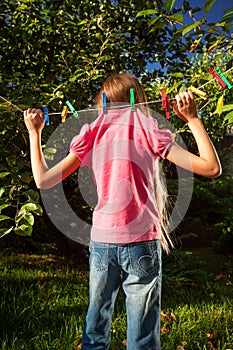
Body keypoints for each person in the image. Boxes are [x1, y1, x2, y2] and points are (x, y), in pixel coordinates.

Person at [24, 73, 221, 350]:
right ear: (138, 99)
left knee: (95, 331)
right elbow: (211, 168)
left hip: (103, 242)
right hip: (142, 243)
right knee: (142, 338)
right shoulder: (147, 127)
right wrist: (193, 119)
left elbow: (43, 180)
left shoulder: (93, 131)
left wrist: (35, 133)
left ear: (103, 101)